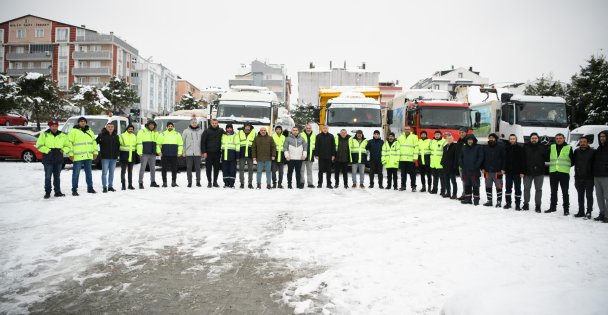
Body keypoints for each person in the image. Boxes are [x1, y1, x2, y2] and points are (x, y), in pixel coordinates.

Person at [36, 119, 69, 198]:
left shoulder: (63, 135)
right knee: (48, 177)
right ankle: (47, 192)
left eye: (56, 126)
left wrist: (63, 150)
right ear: (49, 126)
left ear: (58, 126)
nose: (54, 127)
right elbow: (39, 145)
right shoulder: (44, 134)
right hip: (48, 159)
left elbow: (68, 146)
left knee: (57, 177)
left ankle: (57, 192)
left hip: (58, 159)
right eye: (52, 126)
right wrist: (47, 150)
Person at [68, 116, 98, 196]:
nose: (83, 122)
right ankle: (74, 189)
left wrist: (95, 152)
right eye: (81, 121)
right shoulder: (73, 131)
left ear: (86, 122)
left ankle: (90, 188)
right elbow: (69, 143)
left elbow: (94, 143)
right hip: (78, 157)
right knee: (76, 174)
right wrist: (70, 154)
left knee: (89, 173)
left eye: (84, 121)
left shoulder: (90, 131)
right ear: (78, 122)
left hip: (88, 156)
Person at [546, 133, 573, 215]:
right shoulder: (551, 147)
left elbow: (573, 160)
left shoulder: (568, 147)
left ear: (564, 138)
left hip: (564, 173)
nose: (558, 139)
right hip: (553, 172)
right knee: (553, 191)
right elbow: (546, 157)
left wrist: (566, 167)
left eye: (560, 138)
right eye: (557, 138)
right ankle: (552, 207)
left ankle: (566, 209)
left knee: (565, 192)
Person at [522, 133, 548, 212]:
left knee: (538, 189)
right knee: (526, 189)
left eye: (535, 138)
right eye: (532, 138)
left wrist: (547, 147)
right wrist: (522, 171)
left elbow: (547, 158)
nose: (534, 139)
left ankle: (538, 206)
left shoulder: (543, 147)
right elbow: (522, 160)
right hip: (527, 172)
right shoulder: (525, 147)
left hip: (539, 172)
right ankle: (526, 204)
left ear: (538, 139)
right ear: (530, 139)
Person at [573, 136, 595, 218]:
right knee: (580, 195)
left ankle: (589, 211)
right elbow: (573, 162)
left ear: (587, 142)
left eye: (584, 142)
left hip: (589, 178)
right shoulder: (576, 151)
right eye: (581, 142)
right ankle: (581, 211)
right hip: (578, 178)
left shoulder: (592, 152)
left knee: (589, 196)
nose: (582, 143)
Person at [482, 133, 506, 207]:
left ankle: (499, 201)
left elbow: (504, 158)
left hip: (498, 171)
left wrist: (503, 168)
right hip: (487, 171)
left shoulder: (501, 147)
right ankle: (489, 201)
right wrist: (482, 168)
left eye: (493, 138)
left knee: (499, 186)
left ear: (495, 139)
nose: (491, 139)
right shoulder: (485, 147)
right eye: (490, 138)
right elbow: (482, 158)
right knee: (488, 186)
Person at [460, 134, 483, 205]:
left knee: (475, 185)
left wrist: (476, 166)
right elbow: (460, 157)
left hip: (474, 171)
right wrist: (462, 165)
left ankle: (476, 199)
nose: (470, 141)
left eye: (471, 140)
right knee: (467, 185)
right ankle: (468, 199)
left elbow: (480, 157)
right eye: (468, 140)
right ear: (466, 141)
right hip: (465, 170)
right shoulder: (464, 147)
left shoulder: (478, 147)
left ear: (474, 140)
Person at [96, 123, 120, 193]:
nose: (110, 128)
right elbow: (95, 143)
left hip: (114, 158)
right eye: (108, 127)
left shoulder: (116, 136)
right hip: (105, 158)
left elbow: (118, 146)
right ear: (106, 128)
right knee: (104, 173)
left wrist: (117, 154)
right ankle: (104, 187)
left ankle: (110, 186)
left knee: (111, 173)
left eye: (112, 127)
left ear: (114, 128)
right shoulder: (101, 135)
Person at [137, 120, 161, 189]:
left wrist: (158, 151)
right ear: (147, 125)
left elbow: (157, 144)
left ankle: (153, 182)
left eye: (153, 125)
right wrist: (139, 152)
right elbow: (139, 142)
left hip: (152, 154)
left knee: (153, 169)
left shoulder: (155, 133)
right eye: (150, 125)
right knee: (143, 168)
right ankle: (140, 182)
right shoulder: (142, 131)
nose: (151, 126)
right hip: (144, 153)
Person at [201, 119, 224, 188]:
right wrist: (204, 152)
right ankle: (209, 182)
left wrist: (234, 133)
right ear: (211, 123)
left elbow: (227, 134)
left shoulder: (221, 130)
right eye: (213, 123)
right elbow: (203, 142)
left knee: (216, 168)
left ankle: (215, 182)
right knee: (208, 168)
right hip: (208, 153)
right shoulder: (206, 131)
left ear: (217, 123)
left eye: (215, 123)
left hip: (217, 153)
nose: (214, 124)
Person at [504, 135, 525, 210]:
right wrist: (504, 169)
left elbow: (523, 161)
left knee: (517, 189)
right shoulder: (506, 148)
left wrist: (522, 171)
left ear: (516, 139)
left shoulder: (520, 148)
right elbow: (505, 160)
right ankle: (508, 203)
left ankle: (518, 204)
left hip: (517, 172)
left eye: (513, 139)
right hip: (508, 172)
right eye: (511, 139)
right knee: (508, 188)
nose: (512, 140)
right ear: (509, 140)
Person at [159, 122, 183, 187]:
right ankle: (164, 182)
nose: (170, 127)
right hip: (164, 155)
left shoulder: (177, 134)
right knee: (164, 169)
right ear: (166, 127)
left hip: (174, 155)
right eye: (169, 126)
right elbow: (158, 144)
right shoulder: (162, 134)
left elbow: (180, 144)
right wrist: (159, 152)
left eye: (171, 126)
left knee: (174, 169)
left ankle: (174, 182)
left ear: (173, 127)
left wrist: (179, 152)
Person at [182, 118, 203, 187]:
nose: (194, 124)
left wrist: (202, 152)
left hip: (198, 153)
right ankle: (189, 182)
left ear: (197, 123)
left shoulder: (201, 131)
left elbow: (203, 143)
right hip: (189, 153)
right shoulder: (186, 131)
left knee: (198, 168)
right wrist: (183, 151)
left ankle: (198, 182)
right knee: (189, 168)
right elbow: (183, 142)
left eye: (195, 123)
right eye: (193, 123)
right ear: (190, 123)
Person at [593, 130, 608, 222]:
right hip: (597, 176)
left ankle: (607, 216)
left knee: (607, 196)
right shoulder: (599, 148)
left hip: (606, 176)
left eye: (604, 136)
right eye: (600, 136)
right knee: (599, 196)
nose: (601, 138)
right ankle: (602, 213)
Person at [397, 126, 418, 191]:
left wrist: (415, 157)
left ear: (410, 130)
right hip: (402, 159)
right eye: (405, 129)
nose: (407, 130)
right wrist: (398, 158)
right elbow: (398, 148)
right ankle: (403, 186)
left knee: (412, 174)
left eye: (408, 129)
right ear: (404, 130)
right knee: (403, 174)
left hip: (411, 159)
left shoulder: (414, 137)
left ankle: (413, 187)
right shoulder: (400, 137)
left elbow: (416, 148)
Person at [315, 125, 335, 189]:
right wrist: (316, 154)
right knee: (320, 171)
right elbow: (316, 146)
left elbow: (333, 146)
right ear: (322, 129)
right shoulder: (318, 136)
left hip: (329, 157)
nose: (325, 129)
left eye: (326, 128)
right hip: (321, 157)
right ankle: (319, 183)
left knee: (329, 171)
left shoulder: (331, 136)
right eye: (324, 128)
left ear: (328, 129)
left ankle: (329, 184)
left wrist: (333, 155)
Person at [119, 124, 137, 190]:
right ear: (127, 129)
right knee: (123, 171)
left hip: (132, 156)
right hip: (124, 155)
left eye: (132, 129)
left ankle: (130, 185)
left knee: (130, 171)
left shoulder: (134, 136)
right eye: (129, 129)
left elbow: (136, 146)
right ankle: (123, 185)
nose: (130, 130)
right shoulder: (122, 136)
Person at [221, 124, 239, 188]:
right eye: (227, 128)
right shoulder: (223, 135)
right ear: (226, 129)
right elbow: (221, 144)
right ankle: (226, 183)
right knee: (225, 169)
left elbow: (237, 145)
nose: (229, 129)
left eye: (230, 128)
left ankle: (232, 183)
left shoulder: (235, 135)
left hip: (232, 155)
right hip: (224, 154)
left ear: (232, 128)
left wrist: (237, 155)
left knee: (232, 170)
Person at [238, 123, 256, 189]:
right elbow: (237, 143)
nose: (247, 128)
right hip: (242, 154)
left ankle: (250, 183)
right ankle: (242, 183)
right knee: (241, 170)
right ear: (244, 127)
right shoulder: (240, 132)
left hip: (250, 154)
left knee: (250, 170)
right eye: (246, 126)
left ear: (250, 127)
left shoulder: (254, 133)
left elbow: (255, 144)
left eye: (248, 126)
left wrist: (255, 154)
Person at [441, 132, 459, 199]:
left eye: (450, 139)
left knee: (453, 181)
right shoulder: (445, 147)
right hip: (445, 167)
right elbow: (444, 156)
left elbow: (456, 157)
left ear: (453, 139)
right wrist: (442, 163)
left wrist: (455, 166)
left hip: (452, 167)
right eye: (448, 139)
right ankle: (448, 193)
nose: (449, 140)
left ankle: (454, 194)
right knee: (446, 181)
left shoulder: (455, 146)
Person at [429, 130, 445, 195]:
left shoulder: (444, 142)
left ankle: (443, 190)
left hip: (441, 164)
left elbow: (445, 153)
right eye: (436, 135)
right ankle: (434, 189)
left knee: (442, 178)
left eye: (438, 135)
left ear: (441, 135)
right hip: (433, 163)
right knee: (435, 178)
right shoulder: (432, 142)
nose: (437, 136)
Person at [300, 123, 316, 188]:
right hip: (302, 155)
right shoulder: (301, 134)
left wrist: (316, 154)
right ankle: (301, 183)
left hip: (310, 155)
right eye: (307, 128)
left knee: (309, 170)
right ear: (305, 128)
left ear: (311, 129)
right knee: (302, 170)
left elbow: (316, 145)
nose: (308, 129)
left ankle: (310, 183)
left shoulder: (314, 135)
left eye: (309, 128)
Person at [455, 128, 468, 200]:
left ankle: (468, 194)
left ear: (466, 133)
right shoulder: (459, 141)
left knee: (468, 180)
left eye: (463, 132)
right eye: (460, 133)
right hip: (461, 164)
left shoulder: (468, 140)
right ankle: (465, 193)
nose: (461, 134)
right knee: (463, 179)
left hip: (467, 165)